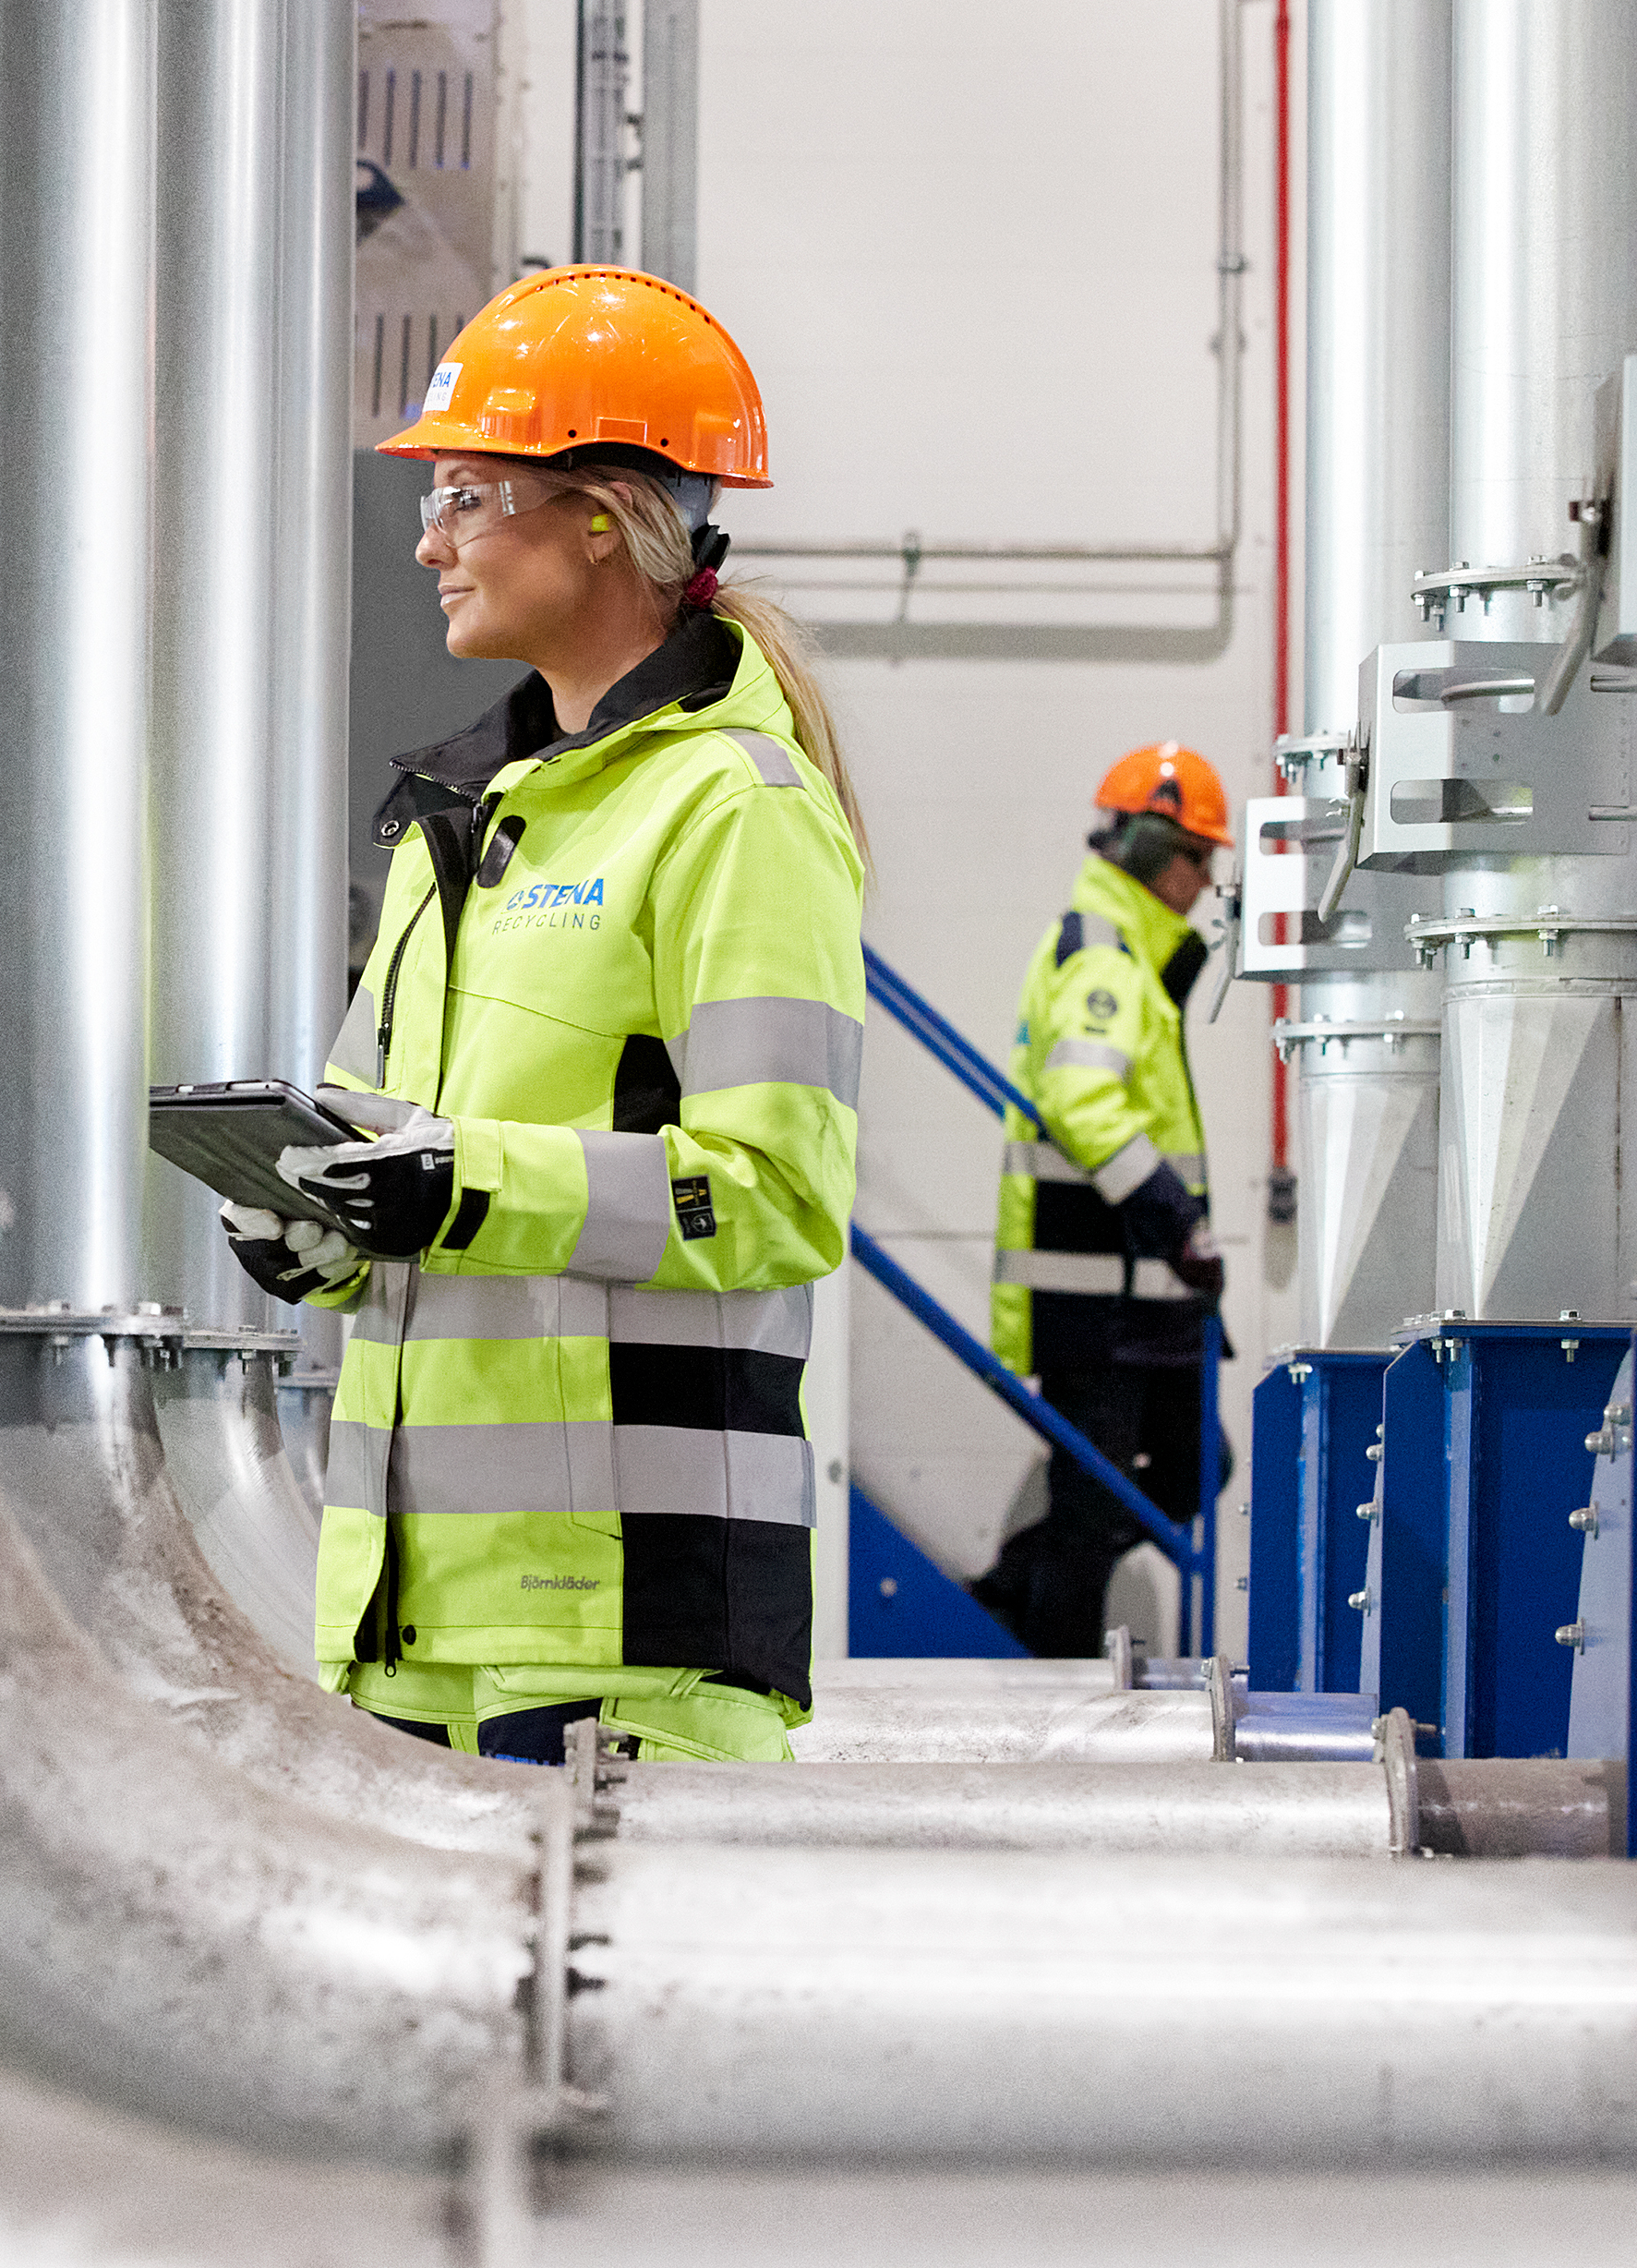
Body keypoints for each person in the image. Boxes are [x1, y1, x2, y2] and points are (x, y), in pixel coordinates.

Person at [216, 265, 869, 1766]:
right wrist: (306, 1220)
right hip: (414, 1621)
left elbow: (772, 1197)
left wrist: (459, 1183)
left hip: (624, 1632)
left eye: (464, 493)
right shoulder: (467, 820)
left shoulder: (733, 810)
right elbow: (386, 1151)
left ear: (600, 515)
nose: (429, 541)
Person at [969, 743, 1231, 1658]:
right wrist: (1174, 1220)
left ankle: (1011, 1588)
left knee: (1180, 1470)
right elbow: (1082, 1102)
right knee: (1096, 1504)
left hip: (1134, 1296)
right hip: (1103, 1295)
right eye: (1200, 858)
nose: (1206, 883)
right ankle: (1049, 1678)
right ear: (1160, 854)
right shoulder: (1106, 956)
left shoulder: (1116, 950)